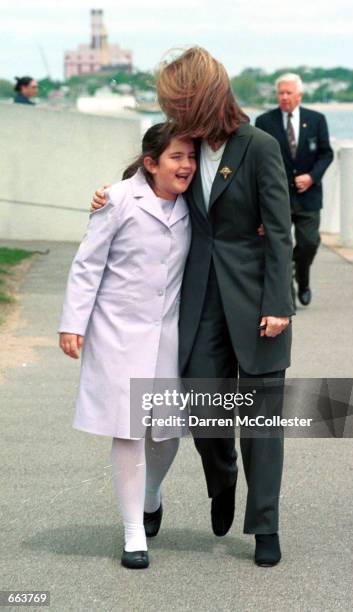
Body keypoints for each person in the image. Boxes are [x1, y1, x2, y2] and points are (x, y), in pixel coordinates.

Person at [92, 47, 294, 567]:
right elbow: (147, 183)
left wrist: (279, 304)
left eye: (178, 102)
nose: (173, 114)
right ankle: (221, 479)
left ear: (200, 97)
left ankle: (265, 526)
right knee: (205, 417)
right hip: (199, 303)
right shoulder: (184, 145)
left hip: (258, 307)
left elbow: (279, 231)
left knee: (262, 423)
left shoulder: (261, 146)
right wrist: (107, 196)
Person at [59, 123, 196, 570]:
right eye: (177, 157)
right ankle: (134, 531)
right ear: (152, 162)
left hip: (169, 335)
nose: (187, 165)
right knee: (129, 429)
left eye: (191, 157)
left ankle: (152, 494)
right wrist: (72, 324)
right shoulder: (117, 199)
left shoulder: (193, 204)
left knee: (167, 432)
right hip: (118, 333)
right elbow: (87, 264)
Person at [255, 73, 334, 306]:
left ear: (299, 95)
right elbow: (259, 158)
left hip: (308, 195)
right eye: (281, 93)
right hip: (277, 196)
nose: (285, 97)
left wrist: (311, 177)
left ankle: (303, 277)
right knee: (279, 245)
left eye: (289, 93)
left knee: (309, 242)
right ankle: (286, 291)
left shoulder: (316, 119)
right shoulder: (264, 122)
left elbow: (326, 153)